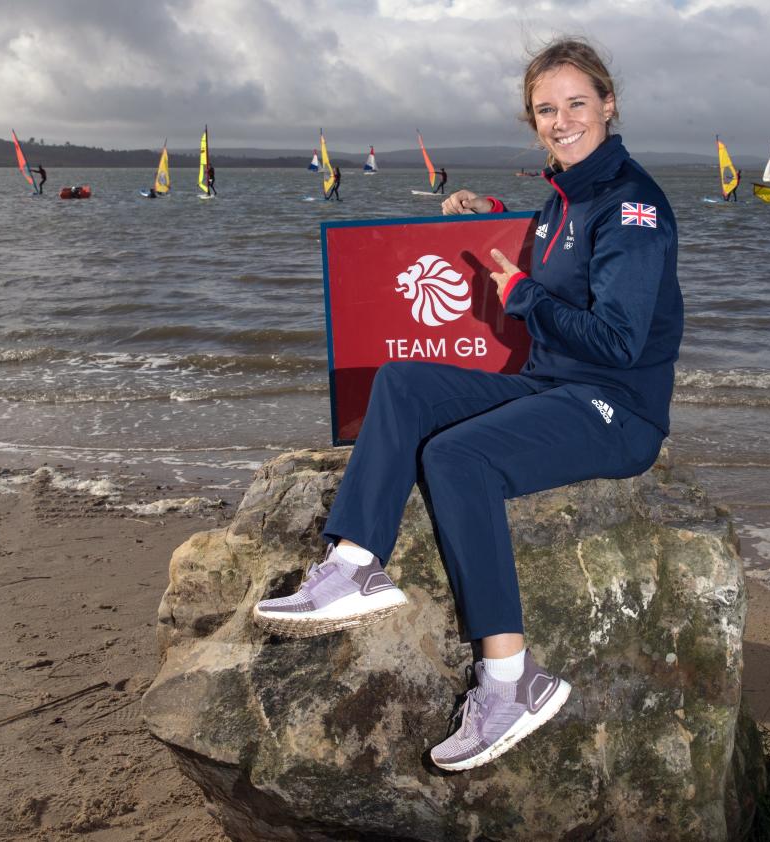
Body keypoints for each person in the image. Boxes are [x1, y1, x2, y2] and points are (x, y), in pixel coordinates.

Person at [253, 37, 682, 772]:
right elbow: (559, 254)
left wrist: (521, 296)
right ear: (533, 119)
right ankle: (356, 562)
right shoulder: (563, 196)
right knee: (404, 379)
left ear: (609, 105)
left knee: (457, 457)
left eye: (577, 103)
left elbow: (614, 339)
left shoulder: (633, 206)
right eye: (546, 109)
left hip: (616, 408)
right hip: (555, 387)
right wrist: (482, 215)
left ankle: (512, 682)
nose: (562, 119)